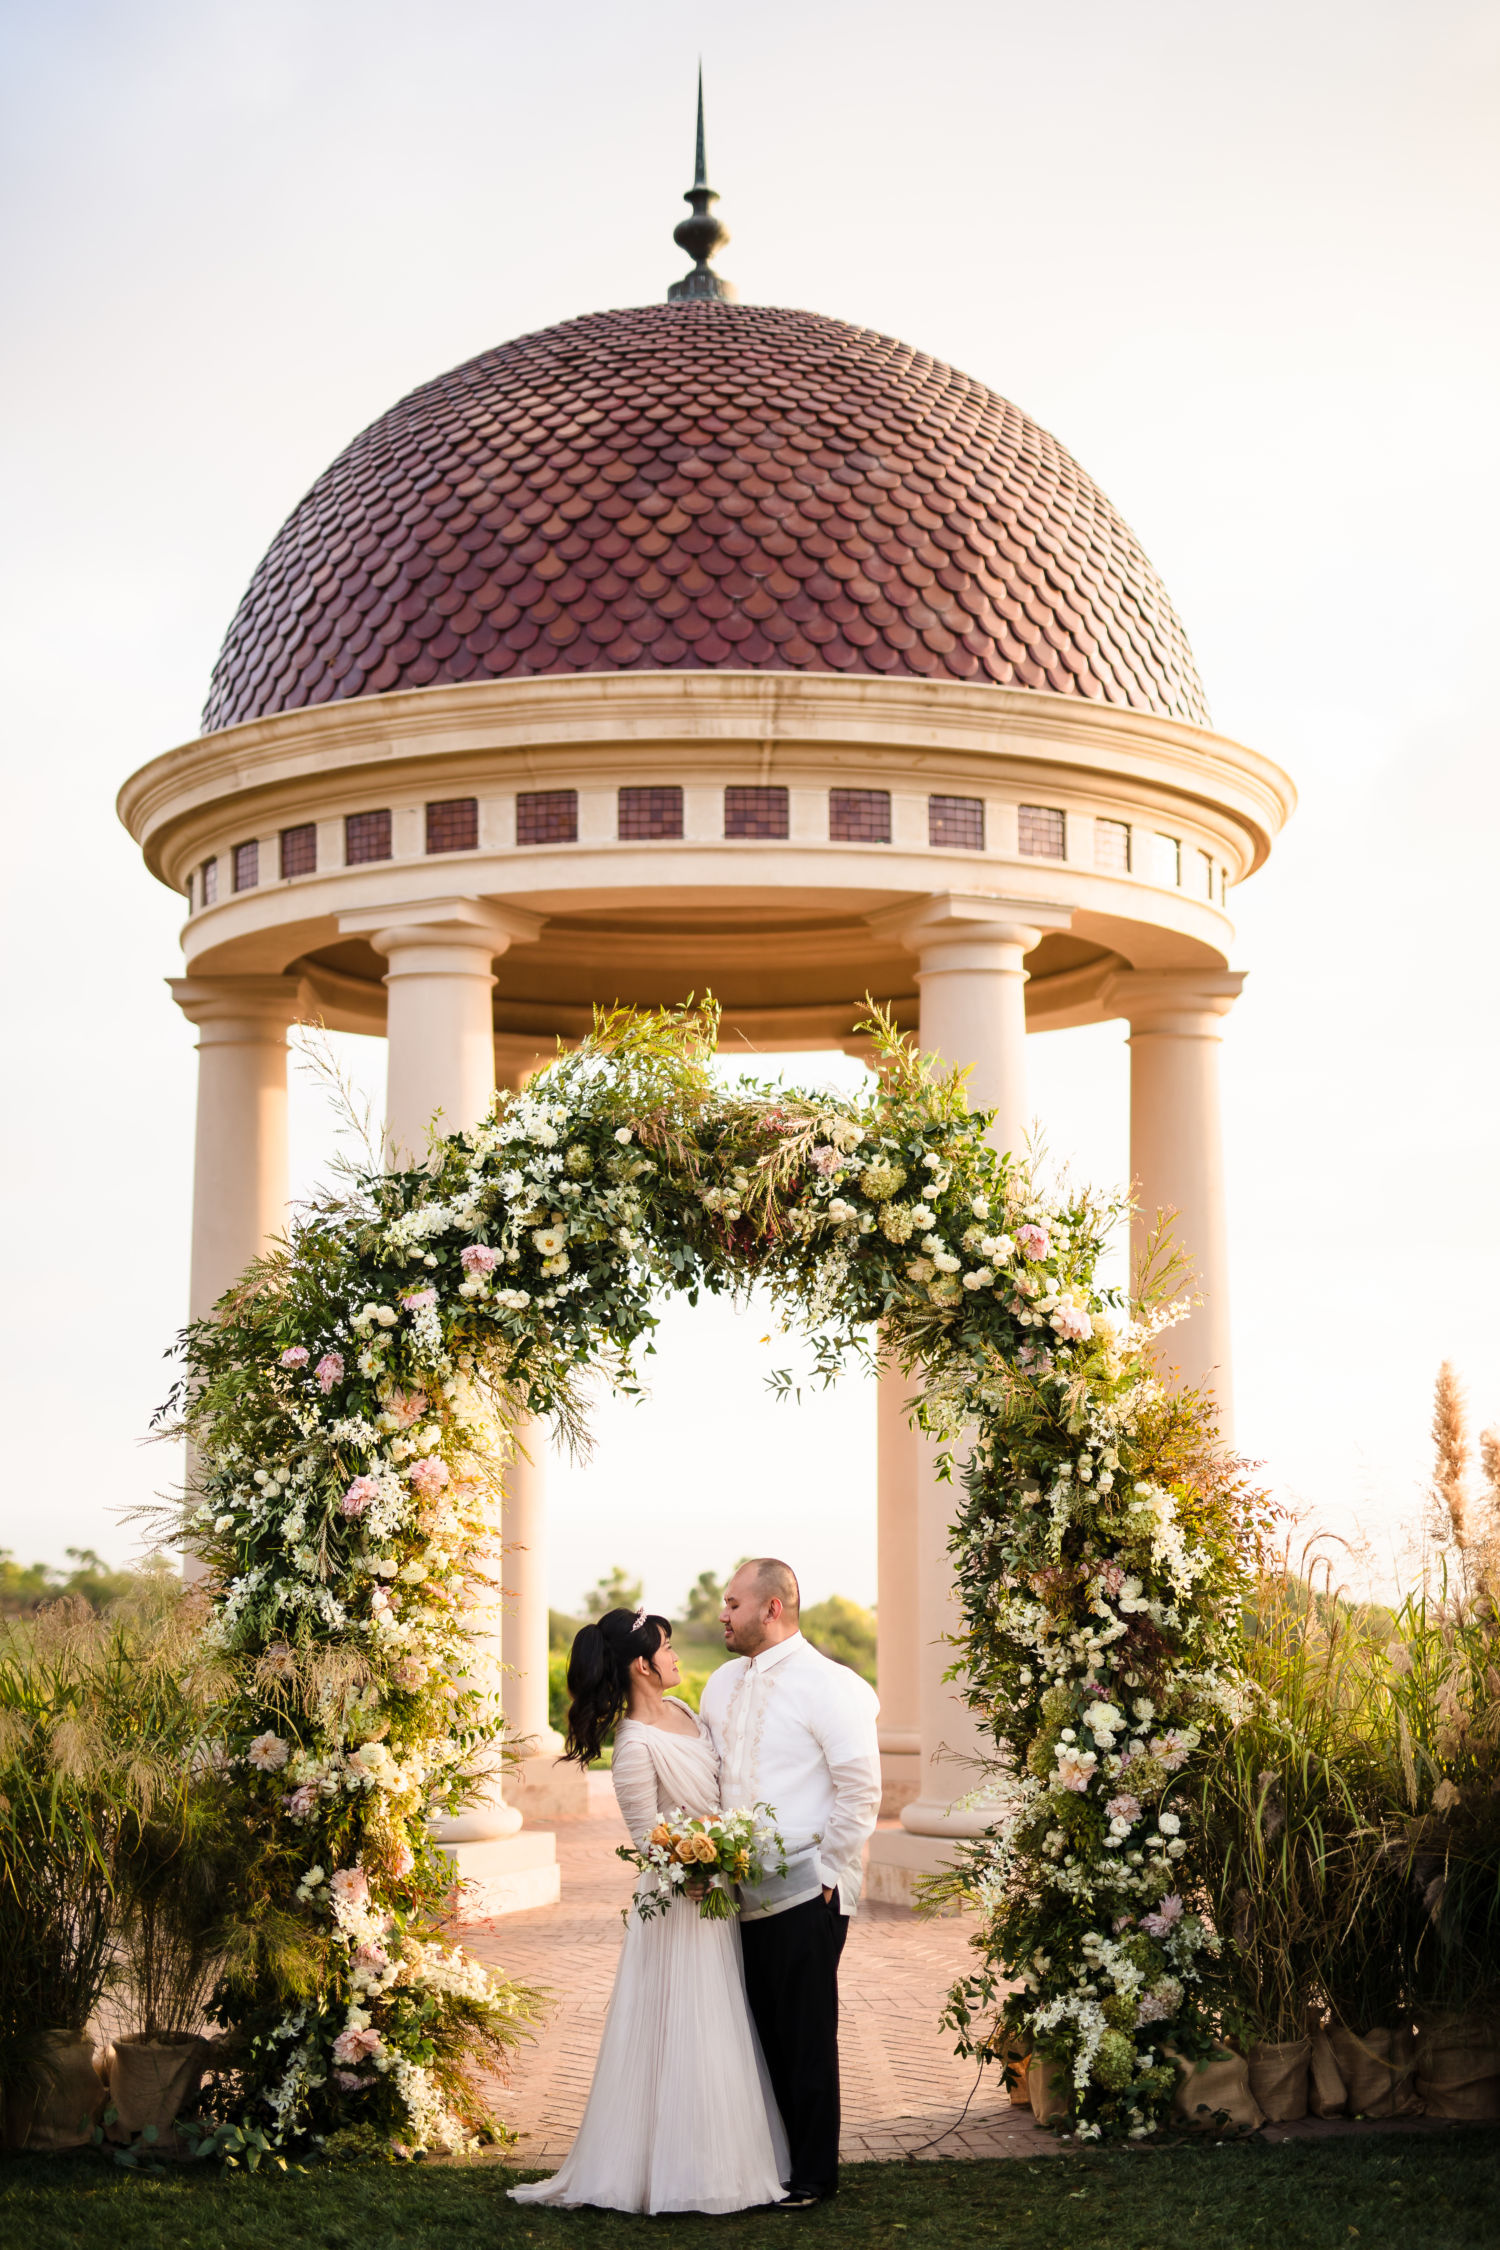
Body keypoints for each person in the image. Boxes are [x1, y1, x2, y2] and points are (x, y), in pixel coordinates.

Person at [509, 1605, 788, 2215]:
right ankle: (665, 2171)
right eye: (667, 1648)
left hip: (716, 1901)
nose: (676, 1656)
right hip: (676, 1908)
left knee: (718, 2028)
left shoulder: (688, 1714)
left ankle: (721, 2158)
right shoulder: (633, 1747)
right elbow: (648, 1844)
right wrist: (694, 1867)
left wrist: (726, 1853)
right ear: (642, 1664)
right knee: (678, 2030)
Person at [699, 1558, 882, 2208]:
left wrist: (832, 1872)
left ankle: (811, 2176)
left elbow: (861, 1789)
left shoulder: (831, 1686)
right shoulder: (718, 1685)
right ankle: (768, 2163)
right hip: (736, 1896)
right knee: (758, 2032)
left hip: (810, 1890)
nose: (722, 1613)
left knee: (805, 2034)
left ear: (772, 1608)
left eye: (732, 1603)